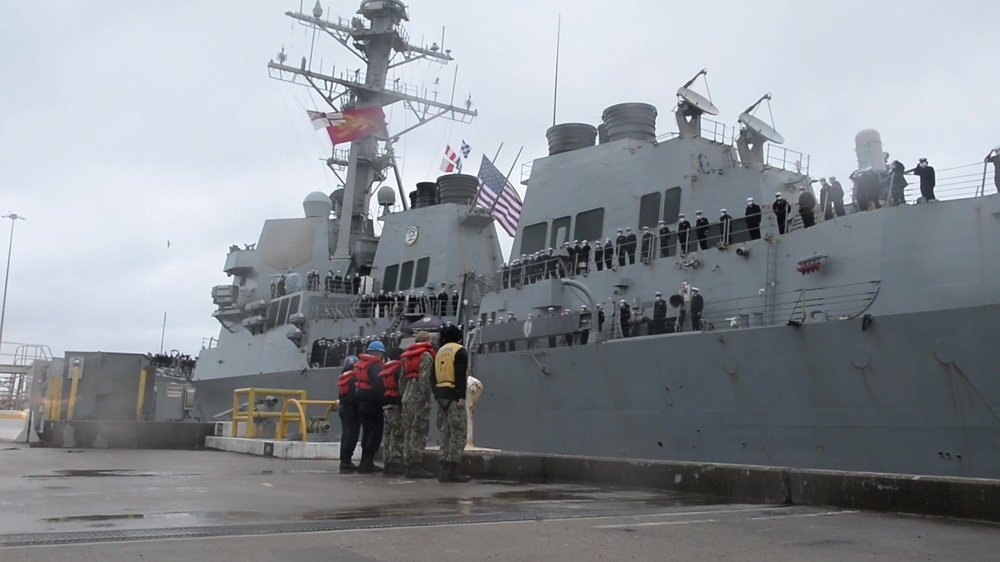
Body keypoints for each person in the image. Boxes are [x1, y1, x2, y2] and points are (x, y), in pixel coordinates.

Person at [432, 324, 471, 483]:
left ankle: (443, 470)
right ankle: (452, 470)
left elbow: (432, 377)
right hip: (454, 395)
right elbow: (460, 374)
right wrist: (461, 396)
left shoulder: (439, 352)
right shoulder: (460, 351)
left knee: (445, 433)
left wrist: (436, 395)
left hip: (441, 396)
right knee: (458, 433)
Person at [400, 332, 436, 479]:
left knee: (408, 431)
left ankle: (408, 465)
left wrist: (403, 395)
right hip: (418, 398)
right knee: (419, 431)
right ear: (427, 340)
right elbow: (424, 379)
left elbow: (401, 380)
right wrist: (427, 399)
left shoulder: (407, 356)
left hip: (407, 397)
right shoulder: (426, 356)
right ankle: (416, 465)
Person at [353, 341, 387, 474]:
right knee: (375, 432)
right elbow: (378, 387)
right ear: (378, 354)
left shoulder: (362, 365)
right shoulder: (375, 367)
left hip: (361, 402)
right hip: (373, 404)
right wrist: (383, 403)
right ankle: (368, 462)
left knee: (366, 431)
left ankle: (363, 461)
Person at [378, 348, 405, 476]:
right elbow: (402, 387)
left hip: (386, 405)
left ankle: (387, 463)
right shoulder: (399, 370)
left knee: (388, 435)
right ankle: (395, 463)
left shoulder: (386, 370)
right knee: (397, 434)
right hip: (396, 404)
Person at [336, 355, 362, 473]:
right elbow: (356, 396)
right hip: (352, 410)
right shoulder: (355, 378)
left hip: (343, 408)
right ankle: (346, 461)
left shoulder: (343, 378)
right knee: (352, 434)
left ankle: (344, 459)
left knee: (346, 434)